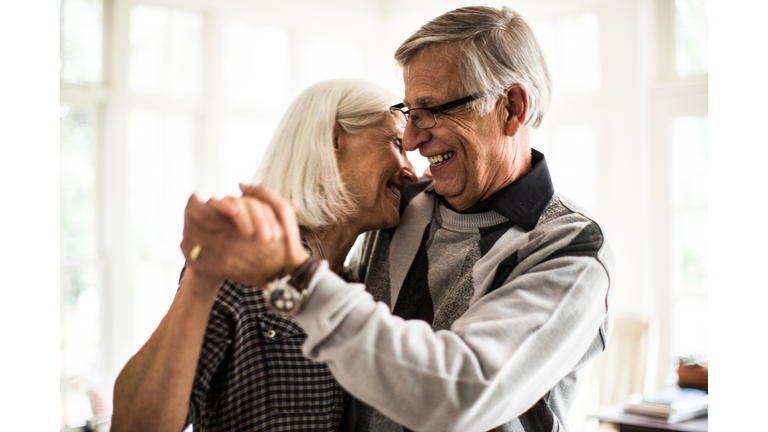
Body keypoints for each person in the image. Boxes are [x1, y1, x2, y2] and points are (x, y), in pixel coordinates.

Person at [181, 6, 615, 432]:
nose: (411, 139)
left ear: (512, 107)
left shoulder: (570, 248)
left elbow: (456, 398)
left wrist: (294, 278)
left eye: (432, 110)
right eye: (408, 113)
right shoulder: (403, 206)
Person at [111, 79, 417, 432]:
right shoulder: (244, 267)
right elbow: (134, 426)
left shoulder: (354, 286)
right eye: (397, 143)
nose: (410, 172)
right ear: (333, 140)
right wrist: (202, 276)